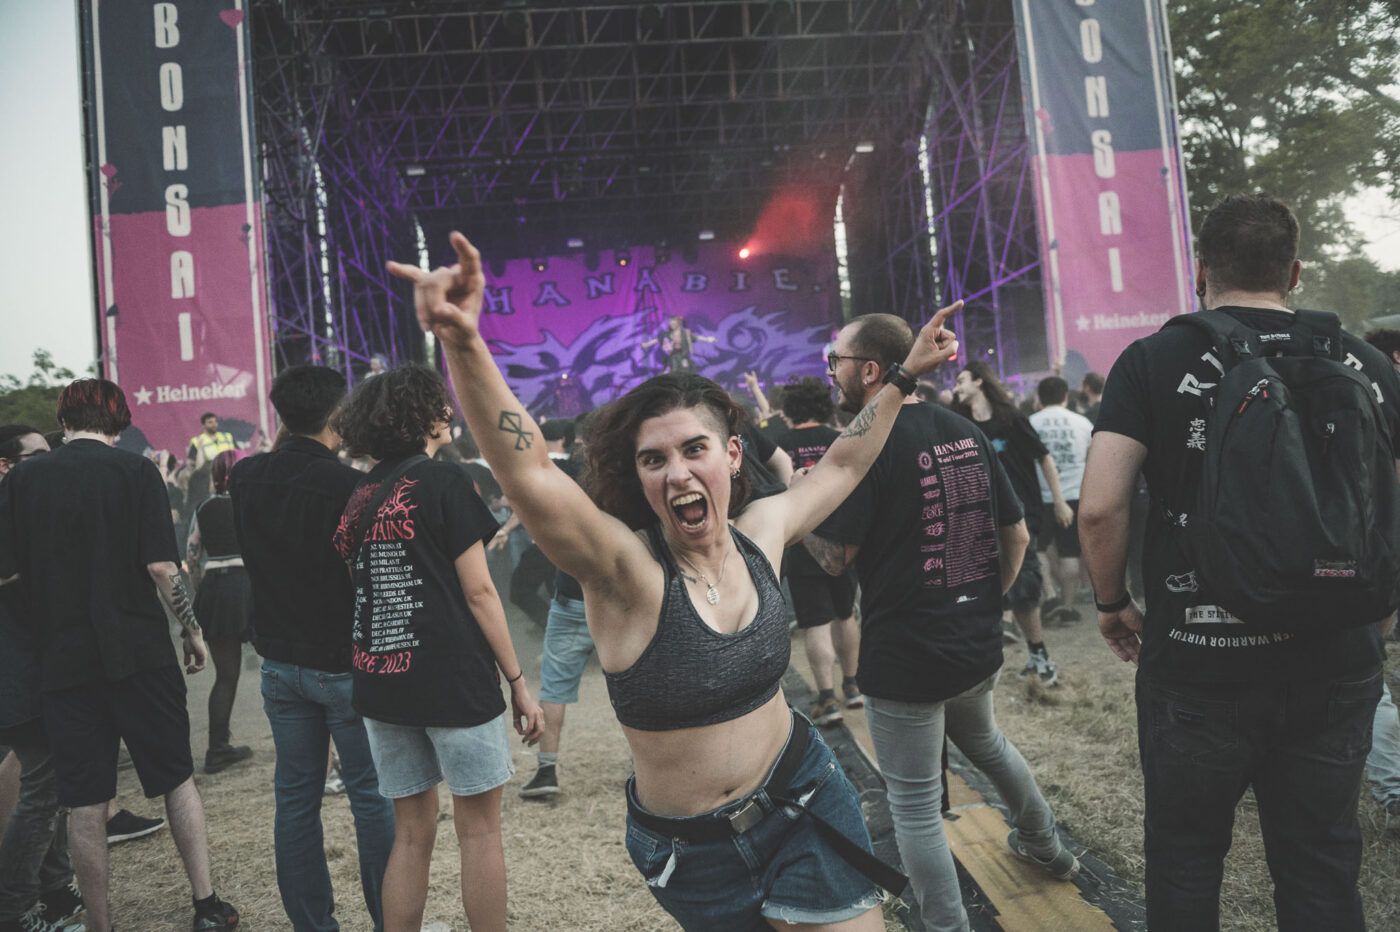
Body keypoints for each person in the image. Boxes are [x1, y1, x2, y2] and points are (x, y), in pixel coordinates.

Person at [387, 231, 960, 930]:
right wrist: (463, 341)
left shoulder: (761, 533)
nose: (678, 472)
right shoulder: (626, 573)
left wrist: (903, 377)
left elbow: (842, 464)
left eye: (695, 449)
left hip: (805, 799)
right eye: (654, 460)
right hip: (696, 858)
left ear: (733, 455)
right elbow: (530, 473)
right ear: (638, 477)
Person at [1080, 194, 1400, 931]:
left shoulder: (1152, 360)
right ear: (1294, 272)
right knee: (1321, 863)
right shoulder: (1370, 363)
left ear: (1200, 272)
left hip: (1201, 658)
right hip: (1337, 658)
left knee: (1186, 859)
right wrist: (1382, 608)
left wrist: (1112, 603)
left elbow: (1098, 507)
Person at [806, 314, 1078, 931]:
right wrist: (986, 601)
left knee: (914, 806)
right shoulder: (963, 429)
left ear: (868, 370)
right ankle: (1047, 845)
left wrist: (800, 513)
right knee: (988, 744)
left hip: (905, 655)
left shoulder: (864, 446)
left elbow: (835, 558)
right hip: (973, 643)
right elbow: (1017, 533)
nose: (831, 373)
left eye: (836, 362)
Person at [1, 380, 238, 932]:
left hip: (63, 660)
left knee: (85, 801)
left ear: (63, 420)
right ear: (119, 420)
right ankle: (206, 905)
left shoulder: (23, 480)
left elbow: (7, 572)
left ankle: (99, 924)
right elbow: (162, 567)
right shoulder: (137, 471)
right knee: (177, 779)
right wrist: (193, 631)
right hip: (139, 652)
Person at [330, 366, 544, 932]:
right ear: (418, 416)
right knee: (480, 831)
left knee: (410, 833)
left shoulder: (359, 495)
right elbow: (480, 593)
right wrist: (519, 682)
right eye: (439, 405)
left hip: (381, 679)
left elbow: (360, 588)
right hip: (452, 678)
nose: (449, 413)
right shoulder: (446, 481)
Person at [229, 364, 396, 931]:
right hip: (343, 662)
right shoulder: (350, 486)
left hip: (280, 662)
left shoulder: (245, 476)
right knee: (371, 797)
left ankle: (312, 925)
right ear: (338, 414)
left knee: (296, 800)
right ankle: (390, 920)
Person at [0, 426, 83, 932]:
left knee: (51, 784)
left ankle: (54, 889)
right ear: (5, 465)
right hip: (16, 676)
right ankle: (13, 909)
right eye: (38, 456)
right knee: (43, 790)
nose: (50, 464)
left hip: (31, 671)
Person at [951, 361, 1073, 685]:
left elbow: (1043, 457)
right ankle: (987, 660)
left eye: (961, 380)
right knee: (985, 589)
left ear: (979, 381)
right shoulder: (959, 422)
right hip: (977, 519)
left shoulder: (1012, 418)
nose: (957, 387)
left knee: (1025, 584)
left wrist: (1059, 500)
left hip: (1020, 515)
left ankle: (1039, 656)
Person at [776, 377, 862, 724]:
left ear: (789, 410)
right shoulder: (840, 440)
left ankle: (828, 699)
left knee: (815, 623)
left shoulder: (779, 447)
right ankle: (853, 687)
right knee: (846, 614)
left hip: (802, 544)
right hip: (843, 542)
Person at [186, 451, 254, 776]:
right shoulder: (248, 503)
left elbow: (192, 555)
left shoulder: (203, 507)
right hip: (247, 585)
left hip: (214, 587)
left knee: (226, 675)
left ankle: (217, 749)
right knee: (279, 667)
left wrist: (202, 589)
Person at [1028, 377, 1093, 625]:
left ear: (1040, 397)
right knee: (1070, 552)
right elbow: (1092, 458)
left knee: (1037, 549)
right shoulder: (1082, 423)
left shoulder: (1031, 422)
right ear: (1065, 396)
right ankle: (1067, 608)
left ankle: (1051, 596)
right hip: (1074, 495)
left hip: (1040, 496)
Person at [641, 315, 717, 373]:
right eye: (671, 323)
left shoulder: (685, 333)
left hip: (683, 356)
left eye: (674, 323)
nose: (672, 324)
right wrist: (647, 344)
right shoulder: (667, 334)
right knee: (673, 372)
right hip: (673, 357)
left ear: (678, 323)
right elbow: (657, 339)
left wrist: (707, 339)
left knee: (686, 372)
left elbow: (696, 337)